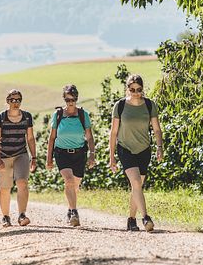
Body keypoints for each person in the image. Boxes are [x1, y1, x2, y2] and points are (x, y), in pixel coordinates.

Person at [108, 74, 164, 232]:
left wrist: (160, 147)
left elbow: (157, 129)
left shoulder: (149, 105)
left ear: (142, 89)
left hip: (144, 149)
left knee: (137, 186)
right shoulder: (120, 106)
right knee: (136, 183)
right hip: (125, 148)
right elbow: (113, 133)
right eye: (132, 89)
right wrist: (111, 157)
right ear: (127, 89)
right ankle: (146, 217)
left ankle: (131, 219)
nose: (135, 92)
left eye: (138, 89)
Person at [46, 84, 96, 227]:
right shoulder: (58, 115)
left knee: (75, 185)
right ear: (64, 99)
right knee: (69, 181)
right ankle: (74, 212)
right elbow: (52, 138)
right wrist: (48, 158)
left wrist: (92, 155)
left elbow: (90, 137)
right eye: (67, 99)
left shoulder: (82, 114)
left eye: (73, 99)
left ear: (76, 99)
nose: (70, 102)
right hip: (61, 153)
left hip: (79, 153)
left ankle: (69, 209)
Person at [0, 89, 38, 228]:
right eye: (12, 100)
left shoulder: (27, 117)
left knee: (22, 182)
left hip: (21, 154)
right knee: (5, 187)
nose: (15, 102)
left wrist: (34, 157)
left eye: (18, 100)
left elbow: (30, 138)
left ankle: (22, 215)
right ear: (7, 101)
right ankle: (6, 217)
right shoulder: (0, 118)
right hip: (4, 155)